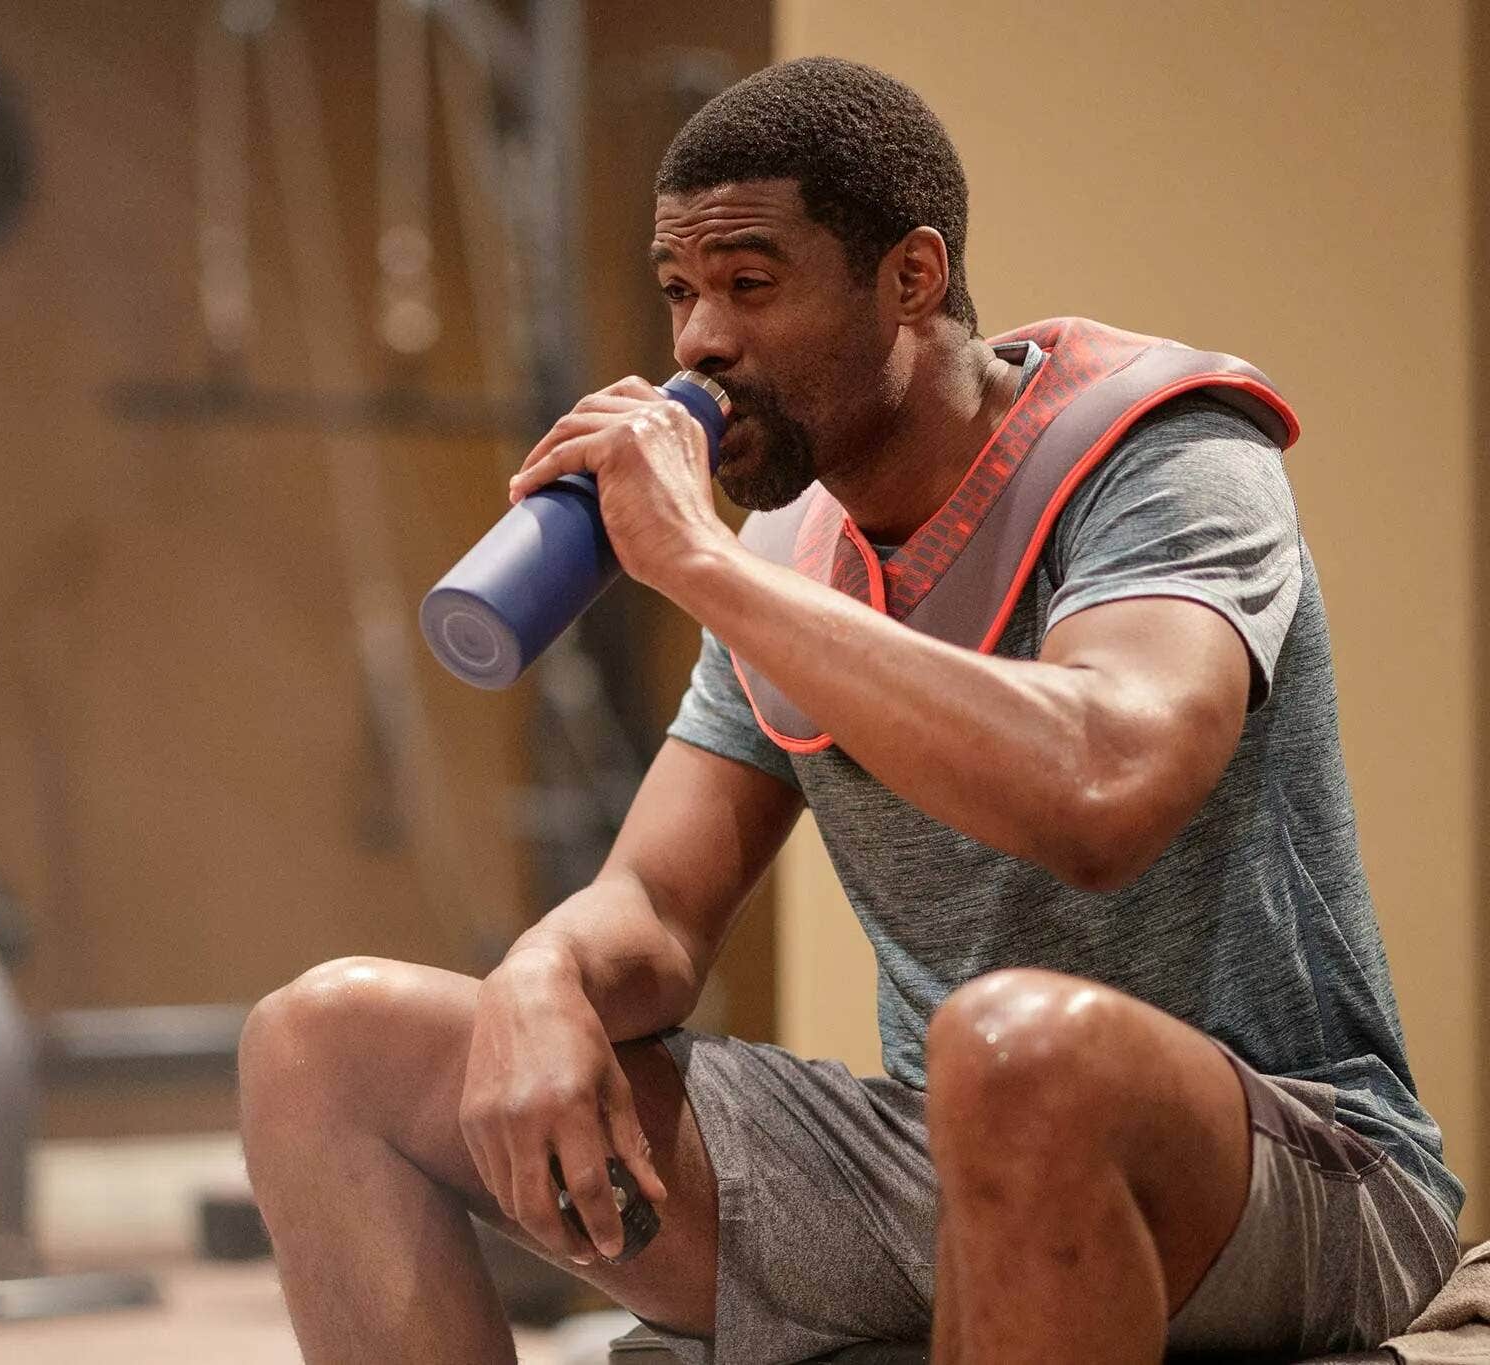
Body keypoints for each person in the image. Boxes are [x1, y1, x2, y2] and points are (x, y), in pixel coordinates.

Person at [235, 55, 1463, 1364]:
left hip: (1303, 1167)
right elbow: (655, 906)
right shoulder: (785, 555)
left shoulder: (1163, 454)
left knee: (1017, 1050)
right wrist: (546, 971)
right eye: (679, 292)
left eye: (749, 285)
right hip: (936, 1149)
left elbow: (1102, 790)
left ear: (911, 279)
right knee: (321, 1042)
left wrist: (697, 568)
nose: (701, 338)